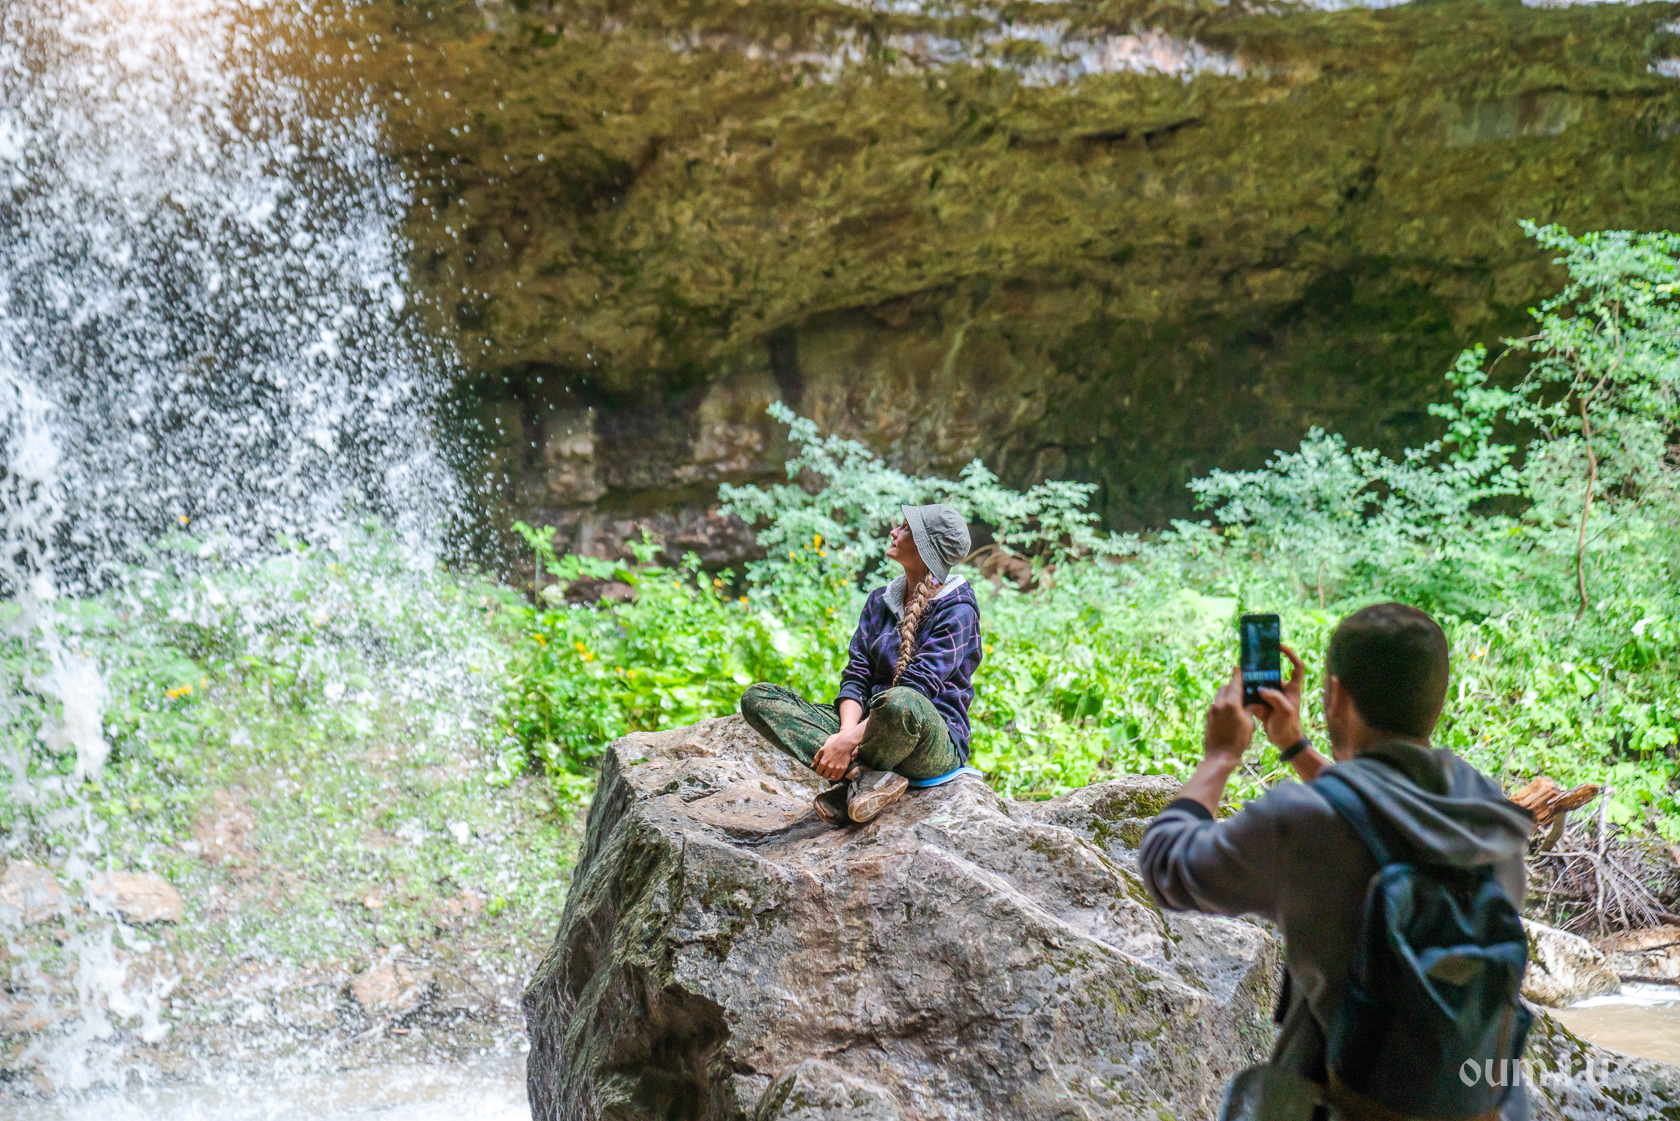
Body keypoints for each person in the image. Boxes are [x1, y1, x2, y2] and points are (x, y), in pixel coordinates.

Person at [1139, 603, 1536, 1120]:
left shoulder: (1300, 822)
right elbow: (1384, 811)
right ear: (1436, 702)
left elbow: (1165, 866)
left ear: (1336, 696)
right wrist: (1295, 747)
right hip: (1482, 1102)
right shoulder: (1487, 811)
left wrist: (1220, 757)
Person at [740, 504, 982, 826]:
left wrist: (848, 742)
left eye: (905, 529)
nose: (894, 532)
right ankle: (863, 777)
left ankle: (857, 781)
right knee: (758, 698)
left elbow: (916, 691)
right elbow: (857, 675)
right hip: (865, 732)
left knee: (901, 702)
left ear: (926, 548)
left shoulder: (959, 609)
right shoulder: (880, 600)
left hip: (927, 743)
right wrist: (844, 736)